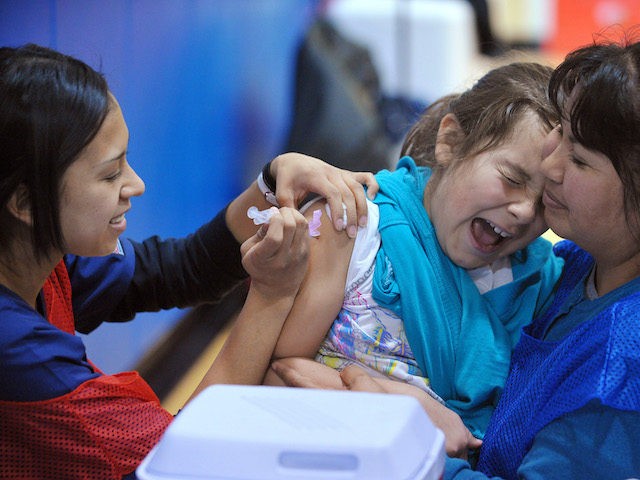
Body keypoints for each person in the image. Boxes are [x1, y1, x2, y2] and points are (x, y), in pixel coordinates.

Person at [0, 43, 378, 480]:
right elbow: (182, 459)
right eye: (110, 174)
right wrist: (273, 295)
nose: (136, 184)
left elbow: (178, 270)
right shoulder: (22, 354)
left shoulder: (40, 258)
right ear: (25, 202)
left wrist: (270, 182)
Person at [291, 37, 640, 479]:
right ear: (450, 140)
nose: (551, 170)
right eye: (560, 138)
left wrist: (407, 426)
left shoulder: (617, 368)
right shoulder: (572, 270)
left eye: (580, 159)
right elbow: (274, 368)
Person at [265, 61, 565, 457]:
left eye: (546, 201)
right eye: (511, 178)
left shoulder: (538, 280)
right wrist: (404, 406)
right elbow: (276, 378)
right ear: (451, 142)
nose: (525, 212)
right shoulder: (352, 227)